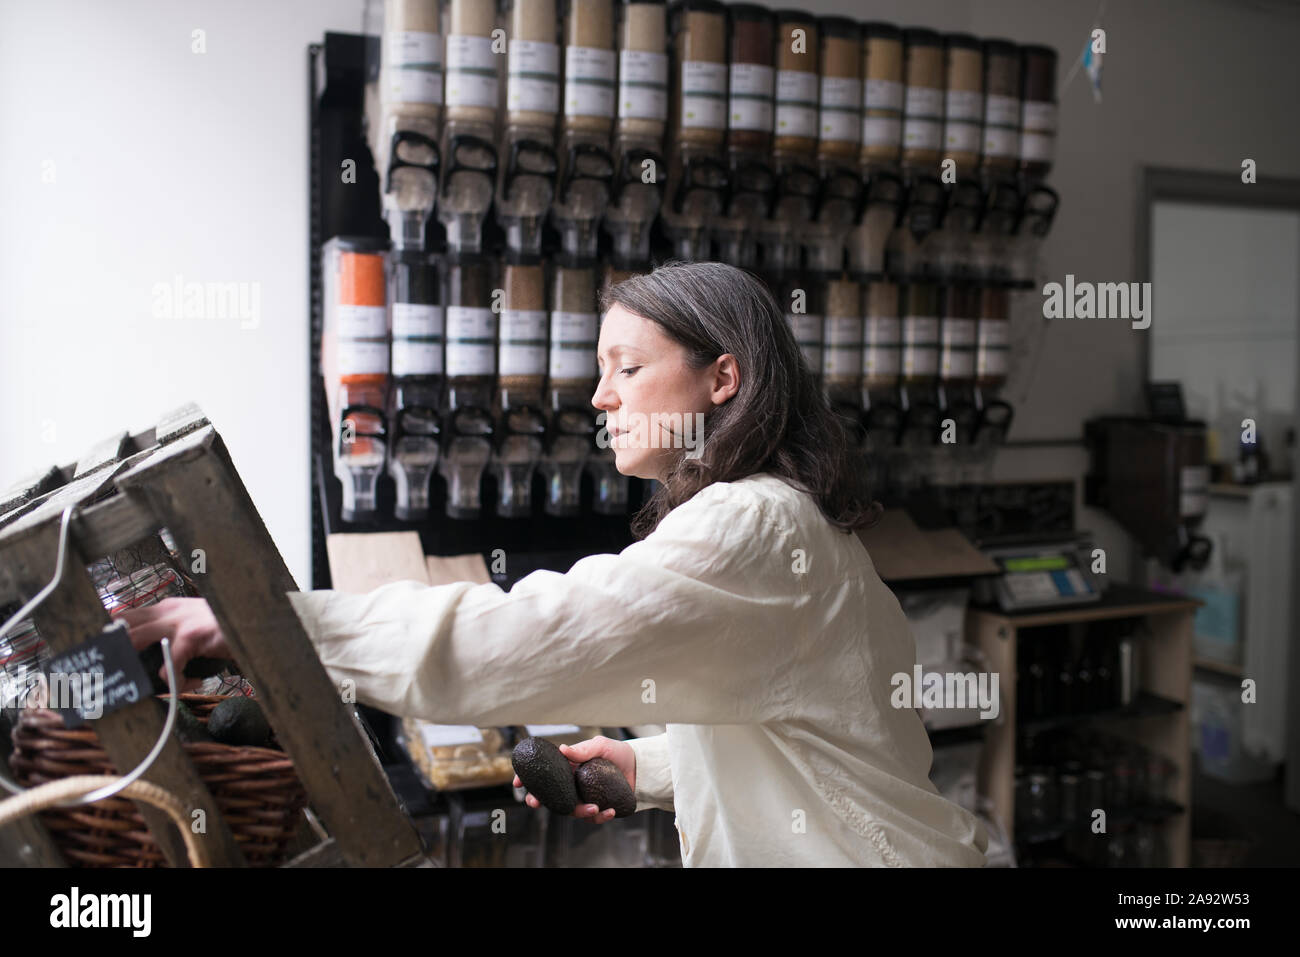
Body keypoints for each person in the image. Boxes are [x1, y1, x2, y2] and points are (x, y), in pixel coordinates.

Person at [123, 261, 989, 867]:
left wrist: (269, 627)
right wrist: (642, 769)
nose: (600, 396)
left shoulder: (755, 525)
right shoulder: (784, 526)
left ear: (723, 378)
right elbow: (814, 744)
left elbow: (530, 636)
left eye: (629, 367)